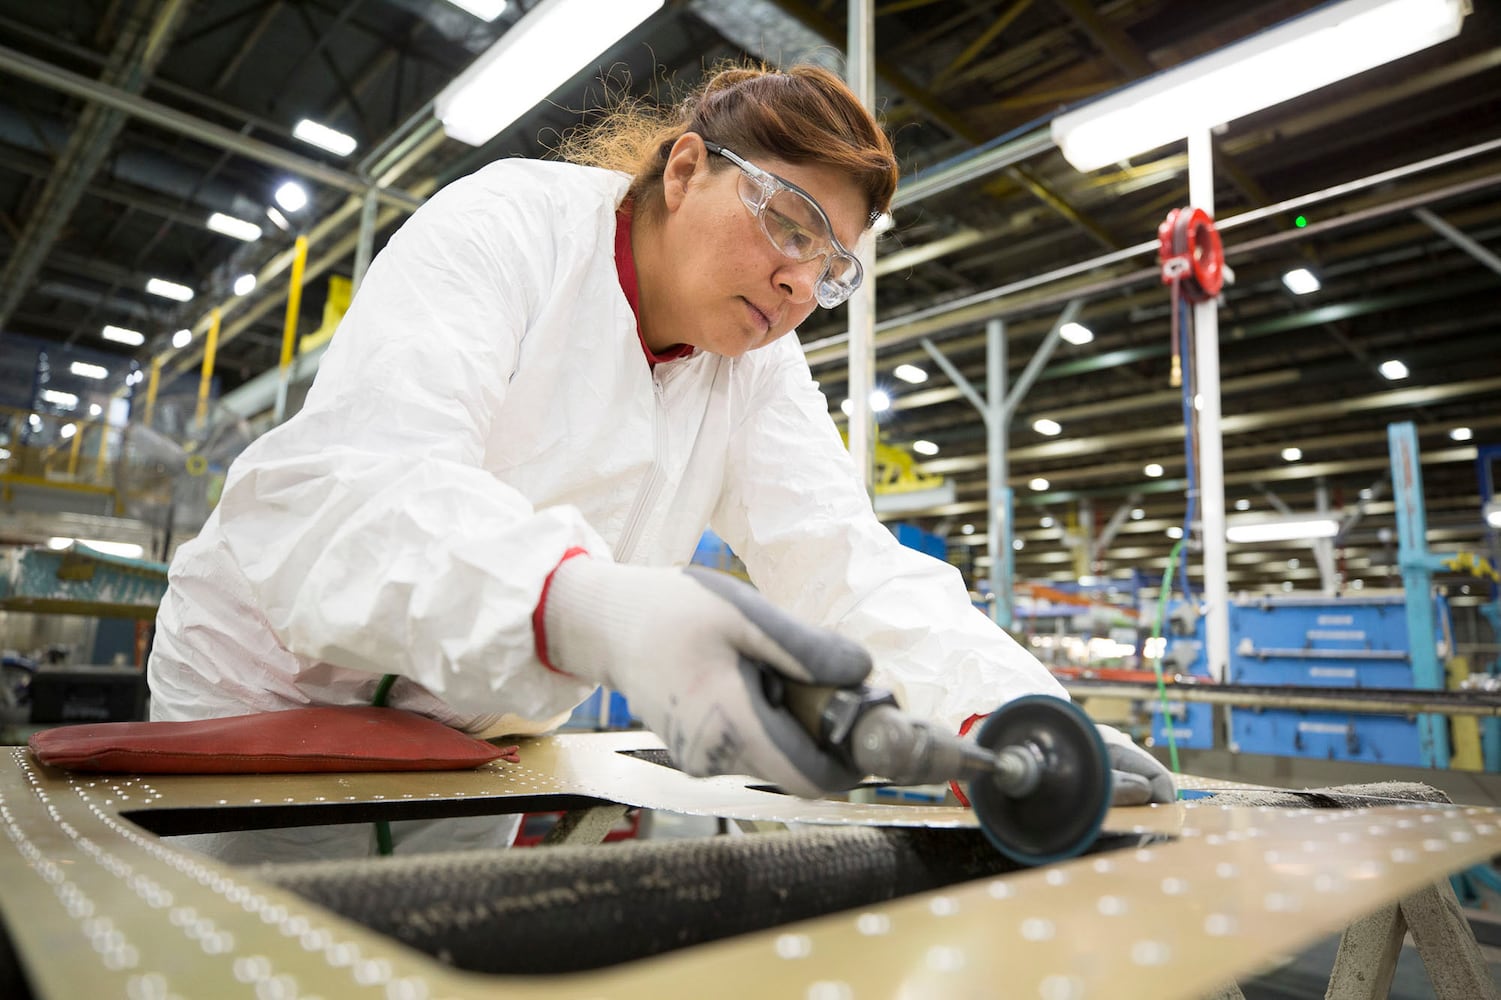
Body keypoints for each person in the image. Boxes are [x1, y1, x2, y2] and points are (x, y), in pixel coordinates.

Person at [148, 63, 1172, 861]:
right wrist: (591, 609)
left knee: (421, 960)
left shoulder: (754, 371)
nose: (796, 277)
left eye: (831, 265)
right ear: (685, 170)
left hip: (476, 739)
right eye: (789, 221)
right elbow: (362, 491)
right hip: (263, 700)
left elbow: (841, 560)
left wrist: (1001, 711)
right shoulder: (507, 227)